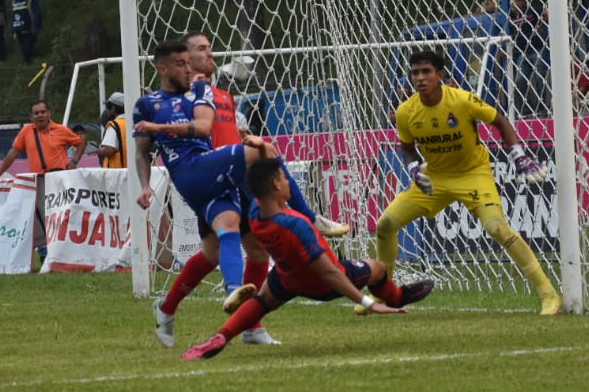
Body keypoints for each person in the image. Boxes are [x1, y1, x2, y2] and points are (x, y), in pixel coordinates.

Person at [139, 37, 346, 348]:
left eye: (209, 49)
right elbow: (166, 142)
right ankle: (309, 216)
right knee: (265, 158)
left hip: (234, 175)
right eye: (200, 50)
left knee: (223, 248)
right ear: (176, 63)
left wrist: (243, 136)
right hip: (213, 171)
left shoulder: (218, 94)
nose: (209, 54)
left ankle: (232, 316)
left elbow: (220, 131)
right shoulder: (184, 96)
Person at [180, 157, 433, 361]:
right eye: (284, 177)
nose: (289, 181)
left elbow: (258, 181)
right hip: (321, 283)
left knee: (263, 301)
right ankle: (397, 296)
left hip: (287, 275)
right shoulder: (297, 225)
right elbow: (330, 273)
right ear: (276, 186)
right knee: (376, 268)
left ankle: (221, 337)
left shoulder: (256, 212)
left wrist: (259, 148)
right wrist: (368, 302)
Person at [374, 49, 562, 315]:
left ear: (440, 75)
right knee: (386, 224)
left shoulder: (462, 100)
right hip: (436, 179)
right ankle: (384, 296)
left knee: (498, 229)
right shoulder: (405, 111)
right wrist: (415, 168)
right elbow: (407, 147)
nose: (420, 78)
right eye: (415, 73)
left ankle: (549, 295)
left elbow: (500, 121)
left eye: (426, 72)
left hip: (473, 174)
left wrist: (518, 156)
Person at [0, 100, 85, 185]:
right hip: (38, 180)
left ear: (49, 114)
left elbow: (81, 144)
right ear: (31, 117)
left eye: (43, 112)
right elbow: (12, 154)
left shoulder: (61, 130)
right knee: (40, 208)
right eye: (36, 113)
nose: (40, 115)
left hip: (60, 178)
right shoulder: (26, 131)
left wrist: (74, 162)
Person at [498, 0, 549, 116]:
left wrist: (540, 26)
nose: (516, 3)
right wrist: (502, 47)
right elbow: (503, 32)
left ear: (523, 2)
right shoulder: (510, 16)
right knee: (520, 80)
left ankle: (542, 108)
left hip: (536, 49)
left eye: (518, 1)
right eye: (514, 1)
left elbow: (546, 14)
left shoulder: (531, 11)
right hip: (522, 52)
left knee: (539, 78)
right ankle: (527, 109)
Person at [10, 0, 43, 64]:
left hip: (29, 30)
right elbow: (13, 16)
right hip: (18, 30)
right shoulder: (14, 2)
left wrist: (36, 27)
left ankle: (30, 64)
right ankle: (28, 64)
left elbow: (36, 14)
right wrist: (13, 31)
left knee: (28, 49)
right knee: (23, 51)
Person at [97, 92, 129, 169]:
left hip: (118, 173)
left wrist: (99, 150)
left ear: (113, 108)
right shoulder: (136, 122)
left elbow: (109, 150)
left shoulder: (114, 125)